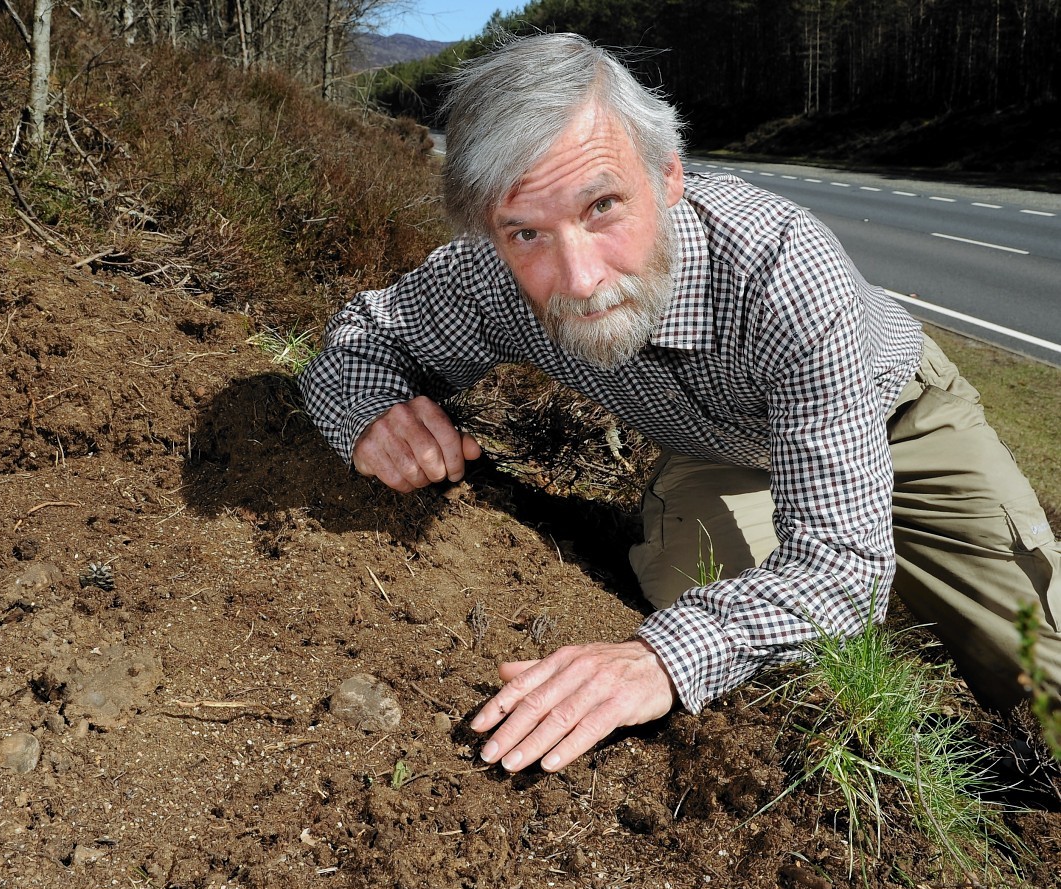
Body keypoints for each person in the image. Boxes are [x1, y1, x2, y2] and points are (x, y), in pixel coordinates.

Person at [299, 32, 1061, 775]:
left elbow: (839, 563)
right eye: (526, 230)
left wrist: (662, 660)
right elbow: (364, 338)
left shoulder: (779, 269)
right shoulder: (488, 279)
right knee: (722, 625)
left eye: (602, 206)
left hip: (901, 417)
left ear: (667, 177)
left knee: (1042, 672)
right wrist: (372, 412)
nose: (579, 278)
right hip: (722, 453)